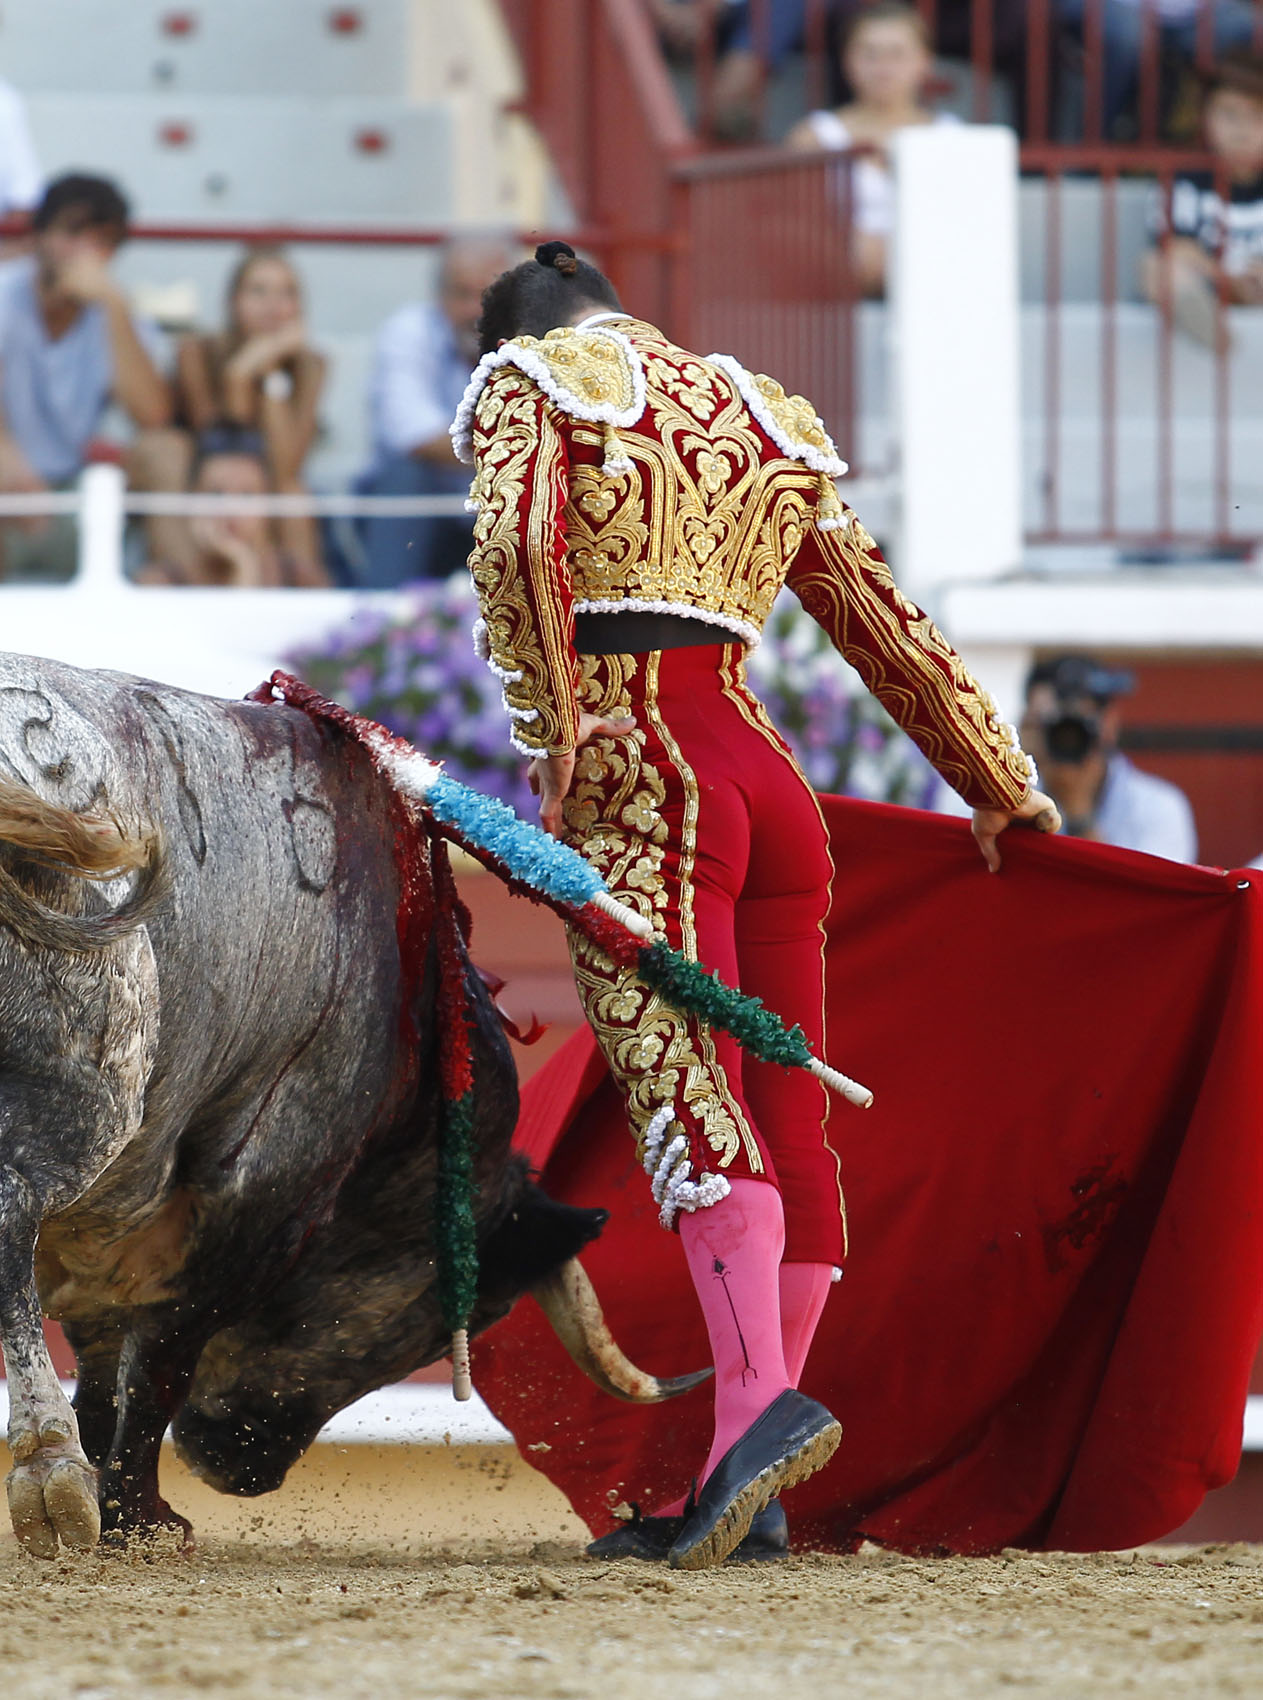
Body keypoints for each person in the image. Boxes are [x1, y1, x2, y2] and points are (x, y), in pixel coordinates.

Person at [456, 239, 1058, 1569]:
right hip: (766, 780)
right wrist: (995, 780)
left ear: (512, 334)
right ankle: (752, 1478)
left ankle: (753, 1419)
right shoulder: (761, 410)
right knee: (786, 1112)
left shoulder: (528, 379)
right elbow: (876, 614)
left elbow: (512, 537)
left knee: (690, 1095)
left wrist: (554, 729)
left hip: (645, 767)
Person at [0, 173, 170, 582]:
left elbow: (152, 417)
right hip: (11, 489)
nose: (86, 252)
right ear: (39, 235)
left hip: (75, 492)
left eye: (103, 241)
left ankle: (169, 594)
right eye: (73, 232)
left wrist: (114, 305)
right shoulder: (6, 293)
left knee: (167, 453)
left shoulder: (117, 313)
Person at [134, 244, 327, 579]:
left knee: (294, 495)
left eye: (287, 293)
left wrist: (266, 371)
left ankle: (298, 594)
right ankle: (188, 584)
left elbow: (287, 467)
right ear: (233, 301)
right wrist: (239, 376)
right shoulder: (195, 351)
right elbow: (219, 444)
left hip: (261, 492)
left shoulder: (311, 366)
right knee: (229, 484)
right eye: (259, 291)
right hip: (199, 483)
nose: (273, 306)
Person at [359, 235, 517, 587]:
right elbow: (414, 437)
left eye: (487, 296)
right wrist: (515, 448)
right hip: (425, 509)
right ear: (438, 295)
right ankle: (383, 611)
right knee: (406, 475)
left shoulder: (537, 339)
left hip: (499, 506)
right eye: (462, 294)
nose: (476, 310)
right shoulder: (408, 331)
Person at [783, 3, 959, 297]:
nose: (883, 67)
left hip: (937, 289)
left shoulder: (953, 137)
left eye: (897, 54)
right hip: (833, 289)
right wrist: (846, 247)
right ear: (846, 61)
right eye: (869, 54)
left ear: (925, 61)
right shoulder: (813, 137)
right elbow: (791, 222)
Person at [1019, 655, 1198, 861]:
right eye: (1052, 724)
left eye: (1079, 724)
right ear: (1028, 725)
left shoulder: (1158, 807)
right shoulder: (1009, 803)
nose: (1068, 737)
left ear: (1109, 721)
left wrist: (1079, 815)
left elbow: (1146, 884)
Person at [1142, 49, 1263, 346]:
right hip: (1211, 291)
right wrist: (1229, 280)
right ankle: (1221, 342)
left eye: (1257, 116)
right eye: (1229, 115)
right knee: (1156, 267)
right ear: (1204, 117)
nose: (1242, 130)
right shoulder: (1182, 181)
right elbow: (1176, 248)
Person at [135, 426, 328, 587]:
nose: (230, 509)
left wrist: (245, 567)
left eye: (246, 496)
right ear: (192, 498)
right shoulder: (160, 583)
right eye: (215, 494)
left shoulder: (302, 581)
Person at [1058, 0, 1262, 139]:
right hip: (1120, 8)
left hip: (1199, 12)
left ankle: (1233, 155)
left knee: (1252, 28)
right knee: (1128, 37)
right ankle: (1091, 147)